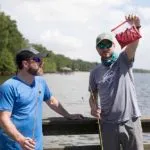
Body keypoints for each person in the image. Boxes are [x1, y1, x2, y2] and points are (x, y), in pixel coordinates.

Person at [0, 48, 83, 150]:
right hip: (13, 146)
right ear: (25, 64)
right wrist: (21, 140)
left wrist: (68, 115)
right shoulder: (8, 87)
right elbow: (3, 119)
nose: (42, 64)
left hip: (36, 146)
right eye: (38, 60)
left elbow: (51, 101)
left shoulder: (41, 82)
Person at [89, 14, 144, 150]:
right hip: (107, 124)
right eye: (101, 45)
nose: (104, 47)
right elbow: (92, 96)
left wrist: (136, 26)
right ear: (97, 49)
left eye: (108, 44)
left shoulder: (124, 60)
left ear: (114, 46)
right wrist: (93, 107)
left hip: (130, 121)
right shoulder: (94, 72)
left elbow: (133, 45)